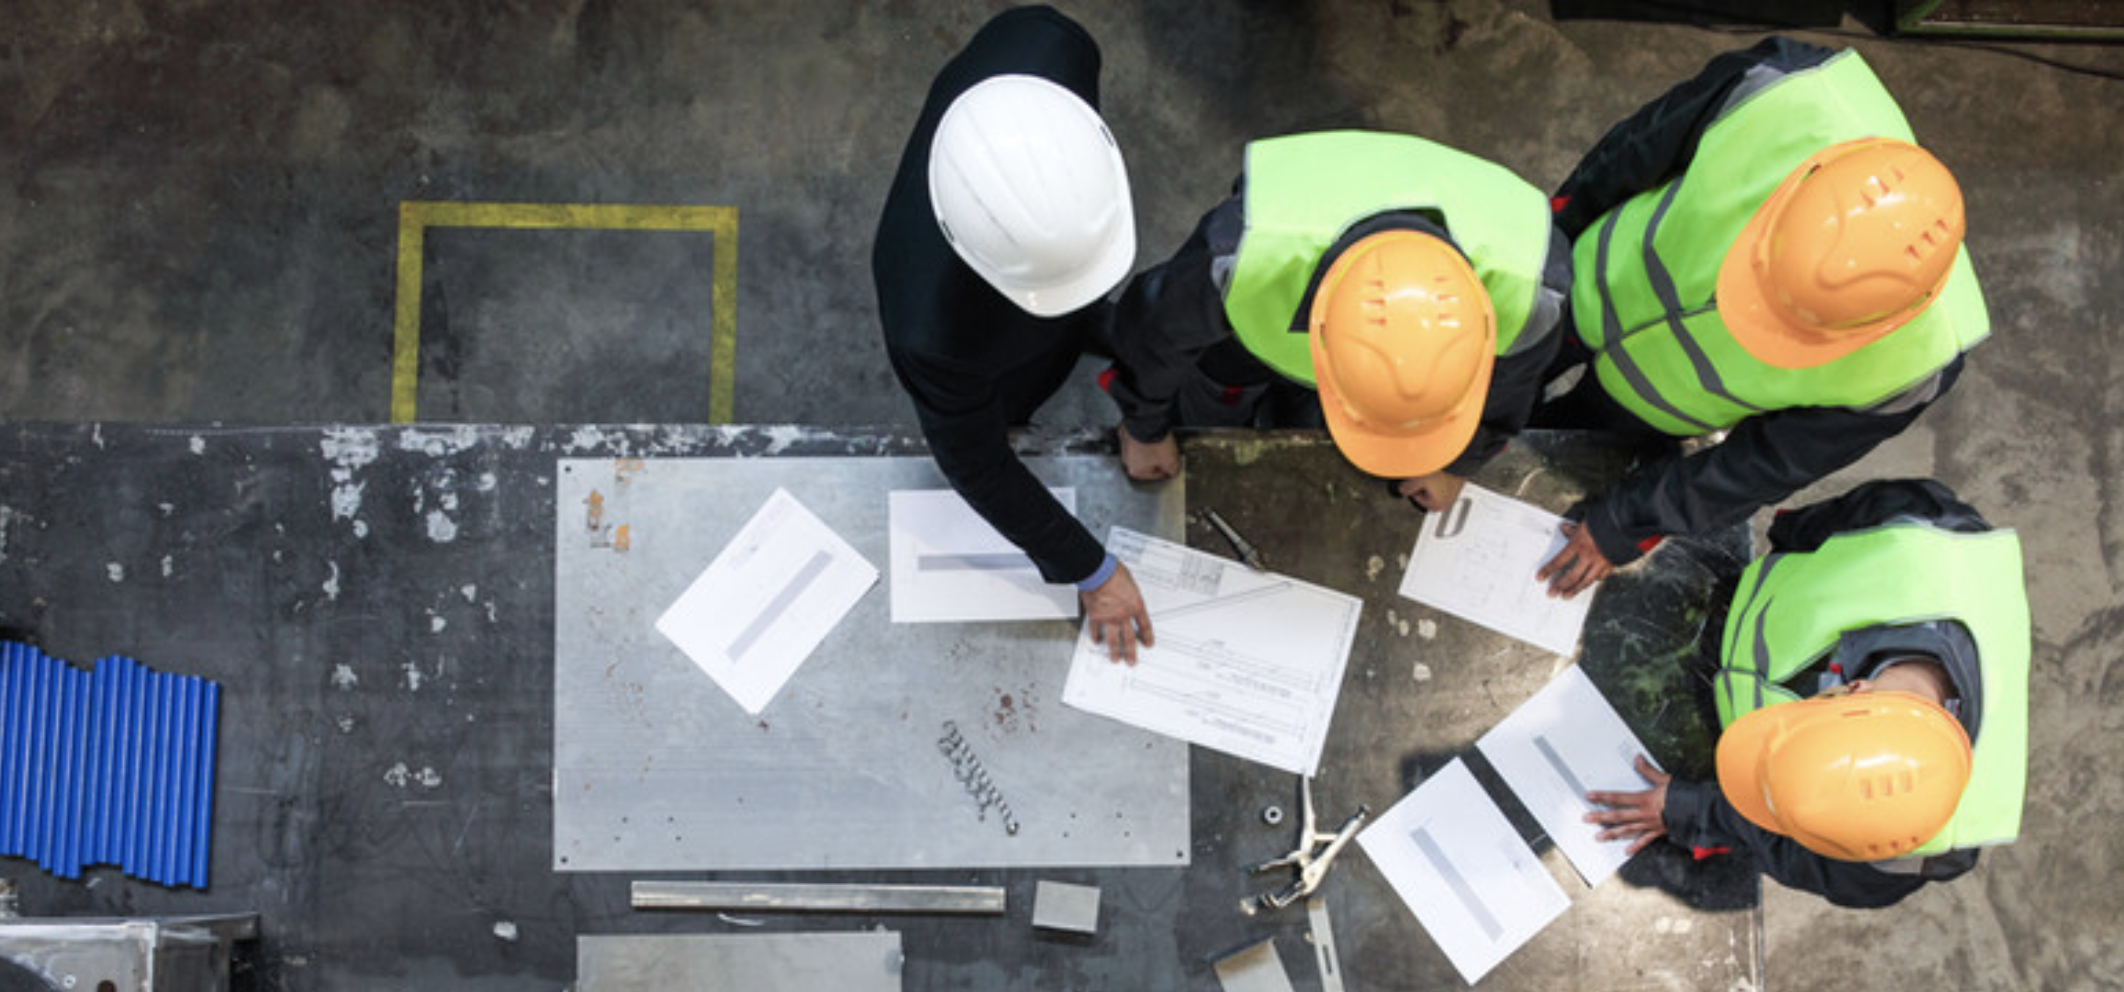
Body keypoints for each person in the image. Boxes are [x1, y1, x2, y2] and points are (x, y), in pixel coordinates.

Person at [1532, 38, 1990, 597]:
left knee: (1565, 448)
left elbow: (1763, 465)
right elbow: (1629, 153)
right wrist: (1547, 252)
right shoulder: (1782, 93)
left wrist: (1627, 522)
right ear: (1791, 195)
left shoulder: (1915, 365)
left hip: (1656, 404)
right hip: (1591, 276)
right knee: (1507, 371)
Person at [1585, 479, 2028, 908]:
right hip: (1721, 601)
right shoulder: (1924, 532)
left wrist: (1695, 809)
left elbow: (1804, 857)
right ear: (1854, 688)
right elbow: (1811, 528)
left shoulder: (1914, 846)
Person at [872, 6, 1152, 662]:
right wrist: (1093, 570)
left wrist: (1149, 402)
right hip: (979, 338)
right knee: (1008, 412)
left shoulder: (1052, 45)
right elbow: (976, 461)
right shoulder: (933, 333)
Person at [1103, 130, 1567, 508]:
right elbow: (1151, 336)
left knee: (1310, 427)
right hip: (1242, 345)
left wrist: (1455, 461)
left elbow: (1510, 392)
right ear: (1315, 333)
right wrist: (1146, 428)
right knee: (1211, 407)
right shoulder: (1242, 258)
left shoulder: (1532, 292)